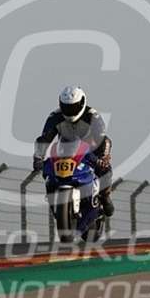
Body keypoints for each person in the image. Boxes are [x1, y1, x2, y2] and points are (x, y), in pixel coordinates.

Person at [33, 86, 115, 217]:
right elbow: (44, 139)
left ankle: (105, 196)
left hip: (90, 152)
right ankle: (53, 196)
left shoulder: (92, 116)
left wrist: (102, 157)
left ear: (82, 103)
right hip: (64, 152)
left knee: (105, 169)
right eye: (66, 108)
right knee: (47, 169)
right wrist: (38, 157)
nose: (70, 112)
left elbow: (103, 140)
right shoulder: (55, 117)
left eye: (73, 107)